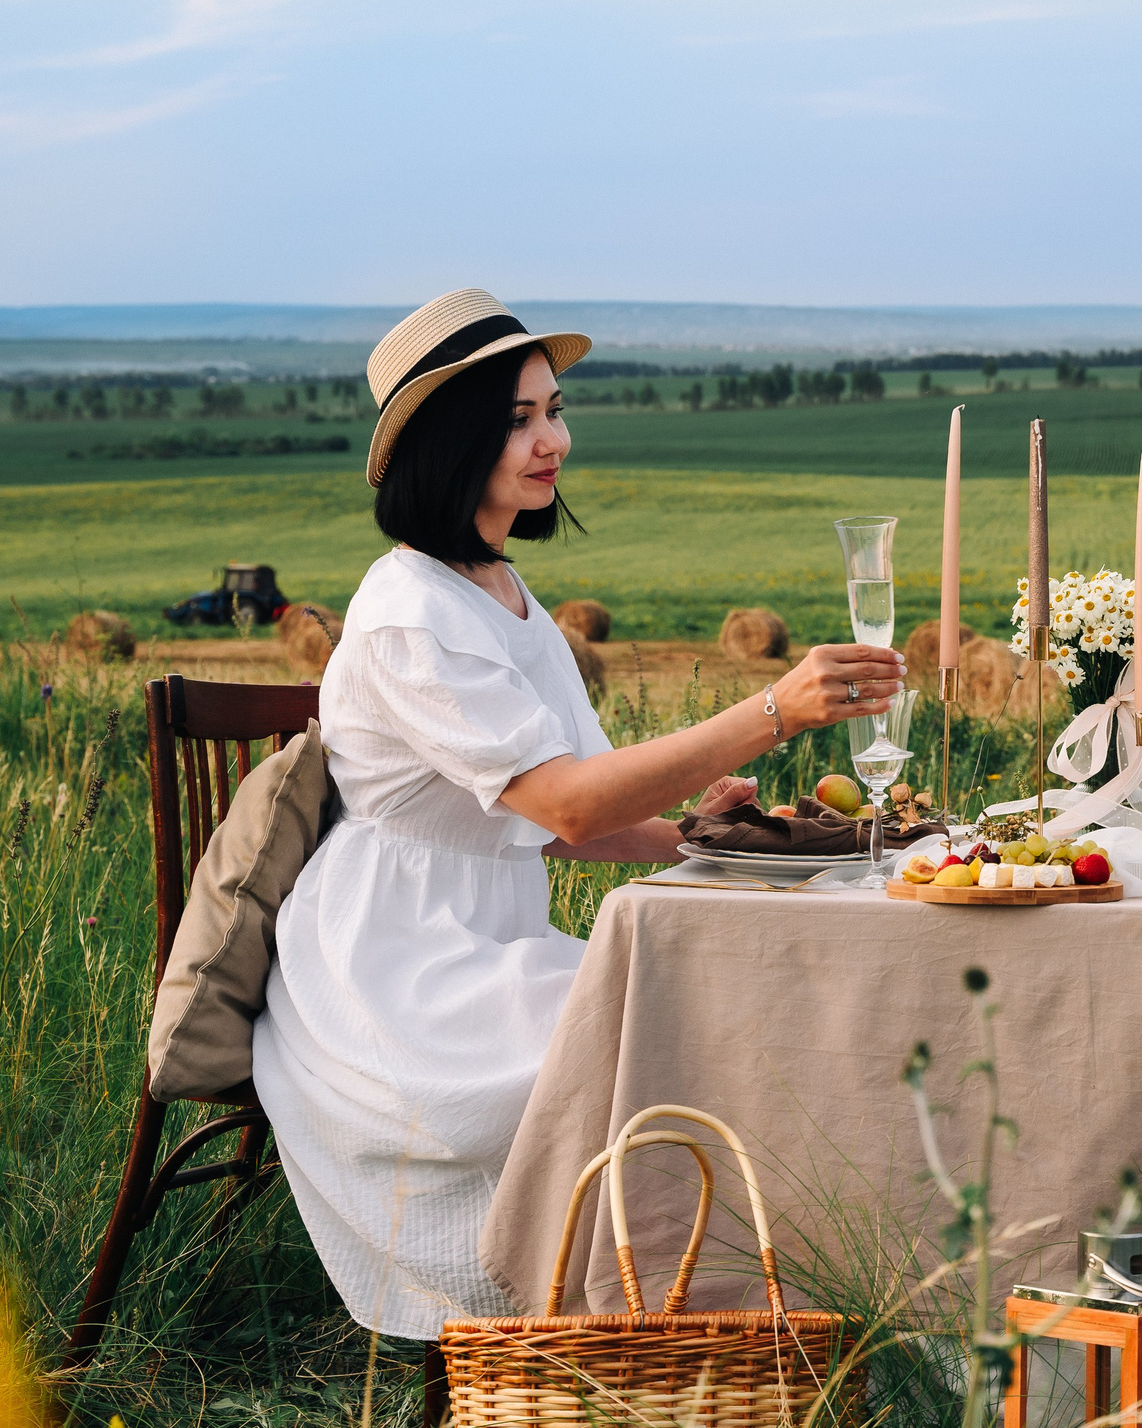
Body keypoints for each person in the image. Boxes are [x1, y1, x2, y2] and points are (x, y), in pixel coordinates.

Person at [250, 289, 902, 1338]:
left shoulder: (502, 592)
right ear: (448, 442)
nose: (553, 439)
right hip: (395, 970)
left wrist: (703, 833)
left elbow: (575, 827)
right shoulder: (410, 612)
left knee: (713, 1013)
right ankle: (640, 1323)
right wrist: (772, 710)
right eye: (518, 419)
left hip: (485, 944)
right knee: (676, 1035)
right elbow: (561, 799)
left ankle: (732, 1323)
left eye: (554, 409)